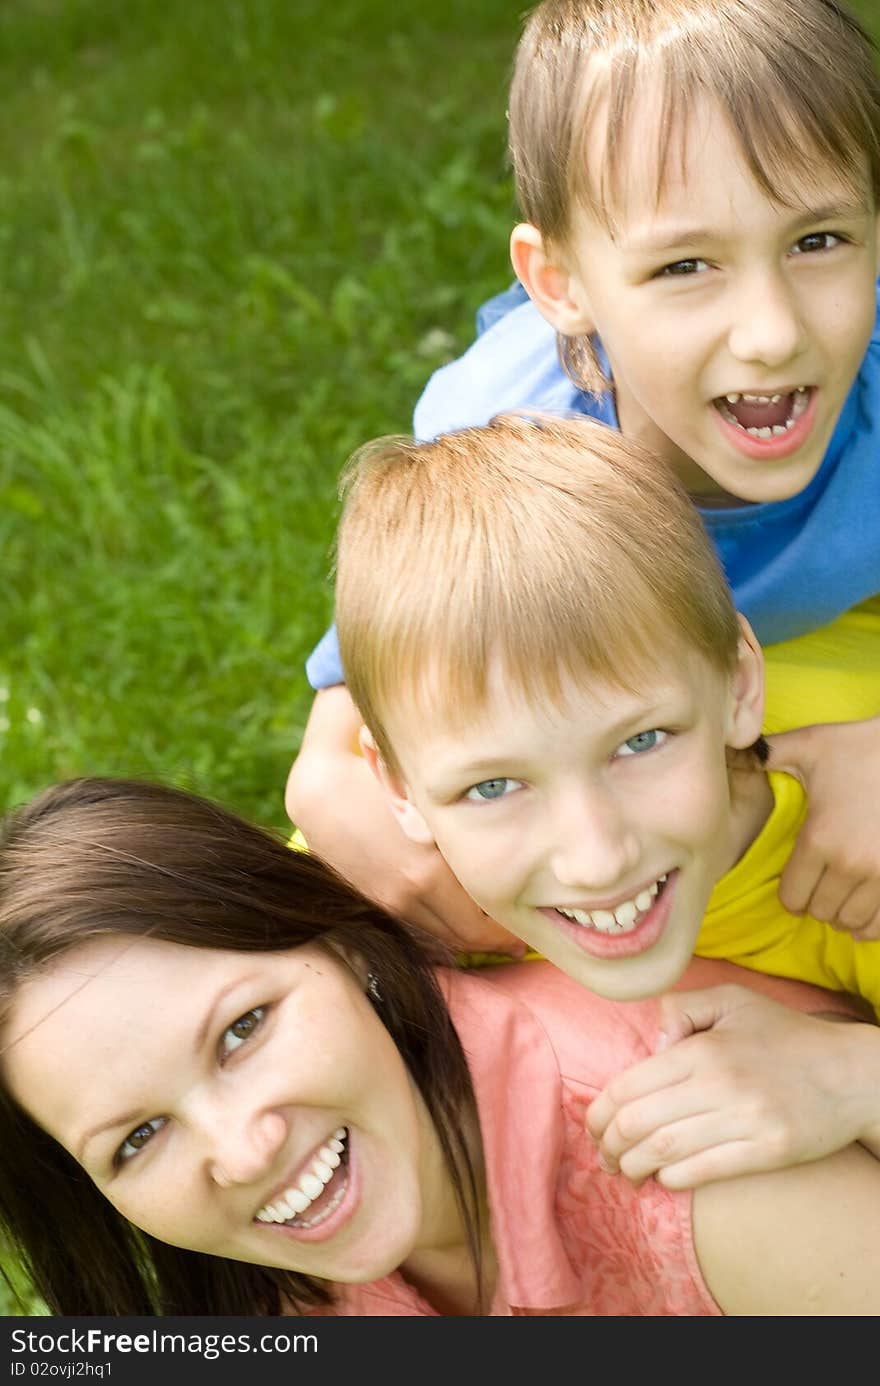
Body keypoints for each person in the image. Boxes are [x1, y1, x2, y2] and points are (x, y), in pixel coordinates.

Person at [286, 0, 880, 953]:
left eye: (818, 241)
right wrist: (326, 769)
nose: (773, 334)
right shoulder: (514, 443)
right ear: (560, 286)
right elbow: (390, 672)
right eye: (686, 265)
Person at [1, 775, 879, 1318]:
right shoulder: (277, 1288)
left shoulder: (700, 1168)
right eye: (137, 1140)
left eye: (242, 1031)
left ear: (345, 949)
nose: (241, 1152)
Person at [330, 412, 880, 1190]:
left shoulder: (856, 858)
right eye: (493, 787)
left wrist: (856, 1081)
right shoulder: (386, 881)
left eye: (641, 742)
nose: (595, 858)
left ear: (738, 687)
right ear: (396, 790)